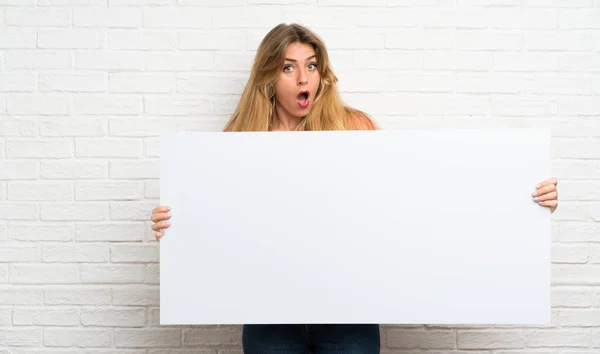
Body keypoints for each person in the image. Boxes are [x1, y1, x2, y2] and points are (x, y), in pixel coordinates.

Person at [149, 23, 559, 354]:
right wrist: (176, 222)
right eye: (289, 67)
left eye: (311, 65)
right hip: (267, 308)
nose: (302, 76)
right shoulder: (237, 138)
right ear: (270, 76)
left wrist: (523, 200)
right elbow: (218, 220)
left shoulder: (354, 127)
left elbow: (419, 194)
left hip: (349, 306)